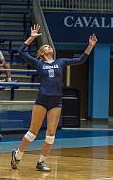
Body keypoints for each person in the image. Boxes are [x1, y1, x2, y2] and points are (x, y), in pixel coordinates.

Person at [11, 24, 97, 172]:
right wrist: (32, 37)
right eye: (45, 46)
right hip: (42, 100)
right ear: (42, 53)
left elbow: (81, 59)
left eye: (49, 46)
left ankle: (41, 162)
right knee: (33, 132)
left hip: (56, 101)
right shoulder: (39, 63)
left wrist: (90, 45)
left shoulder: (60, 62)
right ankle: (17, 154)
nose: (49, 46)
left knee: (51, 134)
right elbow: (21, 51)